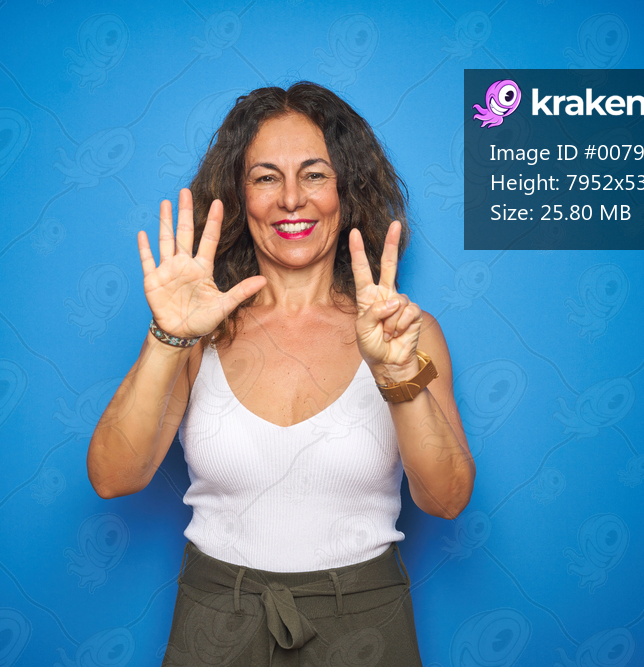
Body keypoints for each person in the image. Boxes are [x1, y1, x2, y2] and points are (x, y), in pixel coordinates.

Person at [87, 81, 475, 666]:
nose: (292, 198)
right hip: (216, 618)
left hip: (365, 621)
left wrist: (398, 379)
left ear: (347, 188)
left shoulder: (404, 331)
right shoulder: (200, 334)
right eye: (266, 177)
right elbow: (114, 477)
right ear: (241, 197)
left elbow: (446, 500)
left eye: (315, 174)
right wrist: (168, 338)